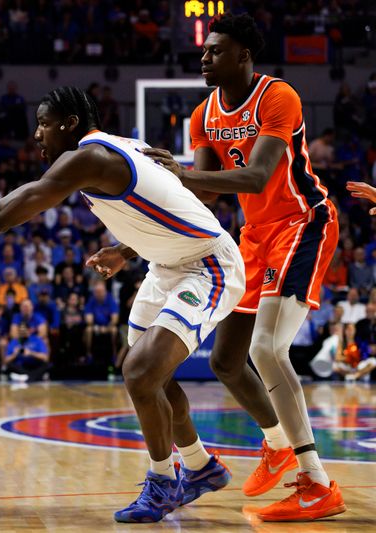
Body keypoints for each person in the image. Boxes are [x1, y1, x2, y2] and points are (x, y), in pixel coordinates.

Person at [0, 86, 245, 522]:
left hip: (207, 266)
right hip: (164, 265)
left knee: (140, 372)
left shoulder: (88, 156)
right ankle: (201, 466)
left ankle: (165, 482)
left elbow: (4, 213)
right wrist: (124, 250)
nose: (37, 134)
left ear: (70, 123)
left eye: (44, 124)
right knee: (150, 376)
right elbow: (168, 206)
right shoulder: (125, 147)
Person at [142, 13, 345, 521]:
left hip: (302, 222)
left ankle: (315, 482)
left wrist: (183, 173)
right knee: (226, 361)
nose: (205, 57)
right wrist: (162, 183)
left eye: (215, 50)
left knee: (268, 350)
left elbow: (255, 178)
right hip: (253, 237)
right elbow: (207, 190)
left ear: (243, 56)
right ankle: (277, 443)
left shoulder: (278, 96)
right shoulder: (201, 115)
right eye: (205, 50)